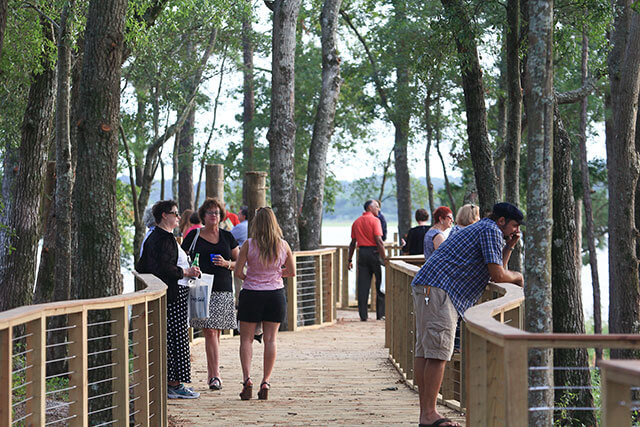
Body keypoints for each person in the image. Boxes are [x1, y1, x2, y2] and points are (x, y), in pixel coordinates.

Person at [411, 202, 524, 427]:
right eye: (514, 226)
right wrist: (519, 277)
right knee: (438, 353)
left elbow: (495, 272)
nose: (516, 231)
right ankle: (429, 414)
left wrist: (509, 247)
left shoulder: (485, 229)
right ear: (501, 221)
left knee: (426, 351)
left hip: (430, 287)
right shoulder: (490, 230)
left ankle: (426, 414)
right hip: (440, 289)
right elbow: (498, 275)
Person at [136, 200, 201, 399]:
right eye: (175, 213)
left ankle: (173, 382)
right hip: (172, 296)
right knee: (176, 339)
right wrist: (186, 271)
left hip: (174, 294)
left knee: (176, 338)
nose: (178, 218)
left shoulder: (161, 237)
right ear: (164, 215)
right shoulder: (161, 238)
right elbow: (160, 267)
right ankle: (174, 383)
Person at [234, 207, 295, 400]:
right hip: (275, 295)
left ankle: (247, 379)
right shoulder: (283, 245)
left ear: (256, 224)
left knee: (246, 340)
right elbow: (291, 271)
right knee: (271, 340)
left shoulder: (248, 244)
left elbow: (237, 271)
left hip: (251, 294)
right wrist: (276, 274)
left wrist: (250, 277)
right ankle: (266, 381)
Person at [182, 198, 239, 391]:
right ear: (203, 216)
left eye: (216, 212)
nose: (213, 216)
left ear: (221, 216)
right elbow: (181, 258)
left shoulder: (227, 236)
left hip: (222, 287)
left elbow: (239, 262)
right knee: (210, 331)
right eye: (209, 213)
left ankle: (213, 373)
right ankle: (214, 375)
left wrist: (226, 264)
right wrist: (190, 269)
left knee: (216, 331)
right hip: (201, 287)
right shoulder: (194, 235)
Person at [347, 199, 386, 321]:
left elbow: (353, 242)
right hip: (375, 253)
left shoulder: (356, 222)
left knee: (363, 285)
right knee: (380, 284)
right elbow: (379, 240)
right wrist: (384, 258)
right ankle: (381, 315)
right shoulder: (375, 221)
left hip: (362, 253)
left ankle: (363, 315)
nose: (378, 209)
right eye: (377, 207)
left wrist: (349, 259)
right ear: (370, 208)